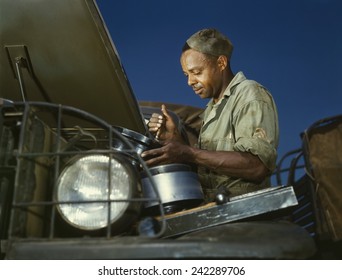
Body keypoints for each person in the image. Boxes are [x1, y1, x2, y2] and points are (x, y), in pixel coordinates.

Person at [141, 28, 279, 201]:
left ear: (221, 63)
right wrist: (175, 139)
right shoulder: (213, 109)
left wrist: (188, 152)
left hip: (247, 212)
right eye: (186, 74)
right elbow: (207, 167)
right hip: (216, 207)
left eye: (197, 72)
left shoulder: (249, 94)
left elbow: (256, 166)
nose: (190, 81)